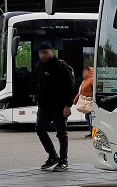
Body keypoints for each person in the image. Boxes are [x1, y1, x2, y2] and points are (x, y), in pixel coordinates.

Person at [34, 41, 75, 171]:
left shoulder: (61, 66)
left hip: (59, 106)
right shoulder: (39, 66)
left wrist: (68, 105)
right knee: (40, 129)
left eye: (45, 52)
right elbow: (38, 84)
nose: (43, 55)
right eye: (41, 53)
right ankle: (53, 156)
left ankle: (63, 161)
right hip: (44, 106)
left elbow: (70, 87)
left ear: (52, 52)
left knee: (61, 134)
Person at [73, 66, 94, 138]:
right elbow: (80, 92)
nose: (83, 73)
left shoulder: (92, 80)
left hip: (90, 102)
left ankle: (93, 132)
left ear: (89, 72)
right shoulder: (85, 80)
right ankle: (91, 131)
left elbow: (95, 91)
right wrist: (75, 100)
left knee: (91, 117)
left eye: (85, 72)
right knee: (87, 117)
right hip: (85, 102)